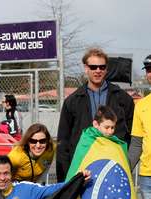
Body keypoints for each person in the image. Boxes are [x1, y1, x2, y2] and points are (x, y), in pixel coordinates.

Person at [56, 47, 134, 182]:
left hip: (113, 165)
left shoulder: (122, 98)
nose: (98, 70)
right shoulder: (72, 101)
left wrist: (126, 162)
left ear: (106, 69)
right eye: (93, 67)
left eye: (102, 67)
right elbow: (63, 141)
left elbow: (132, 134)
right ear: (86, 68)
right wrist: (64, 179)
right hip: (83, 167)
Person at [128, 54, 151, 199]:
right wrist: (124, 170)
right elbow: (136, 144)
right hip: (147, 175)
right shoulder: (141, 106)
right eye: (149, 70)